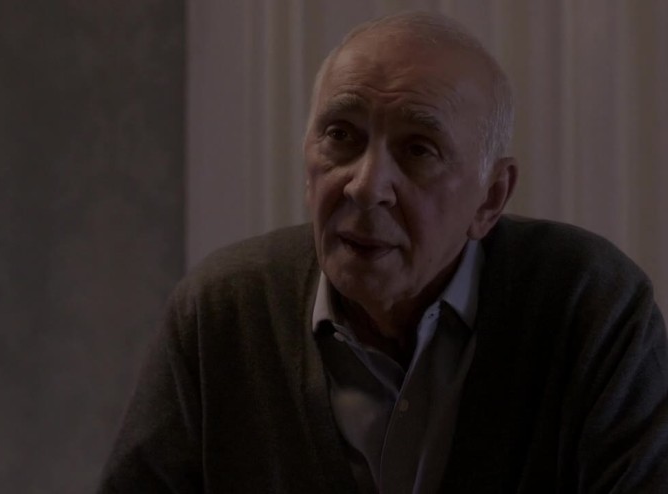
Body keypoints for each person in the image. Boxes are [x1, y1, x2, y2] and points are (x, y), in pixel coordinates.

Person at [99, 11, 668, 493]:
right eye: (341, 136)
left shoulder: (589, 304)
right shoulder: (223, 310)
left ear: (491, 197)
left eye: (418, 149)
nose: (366, 186)